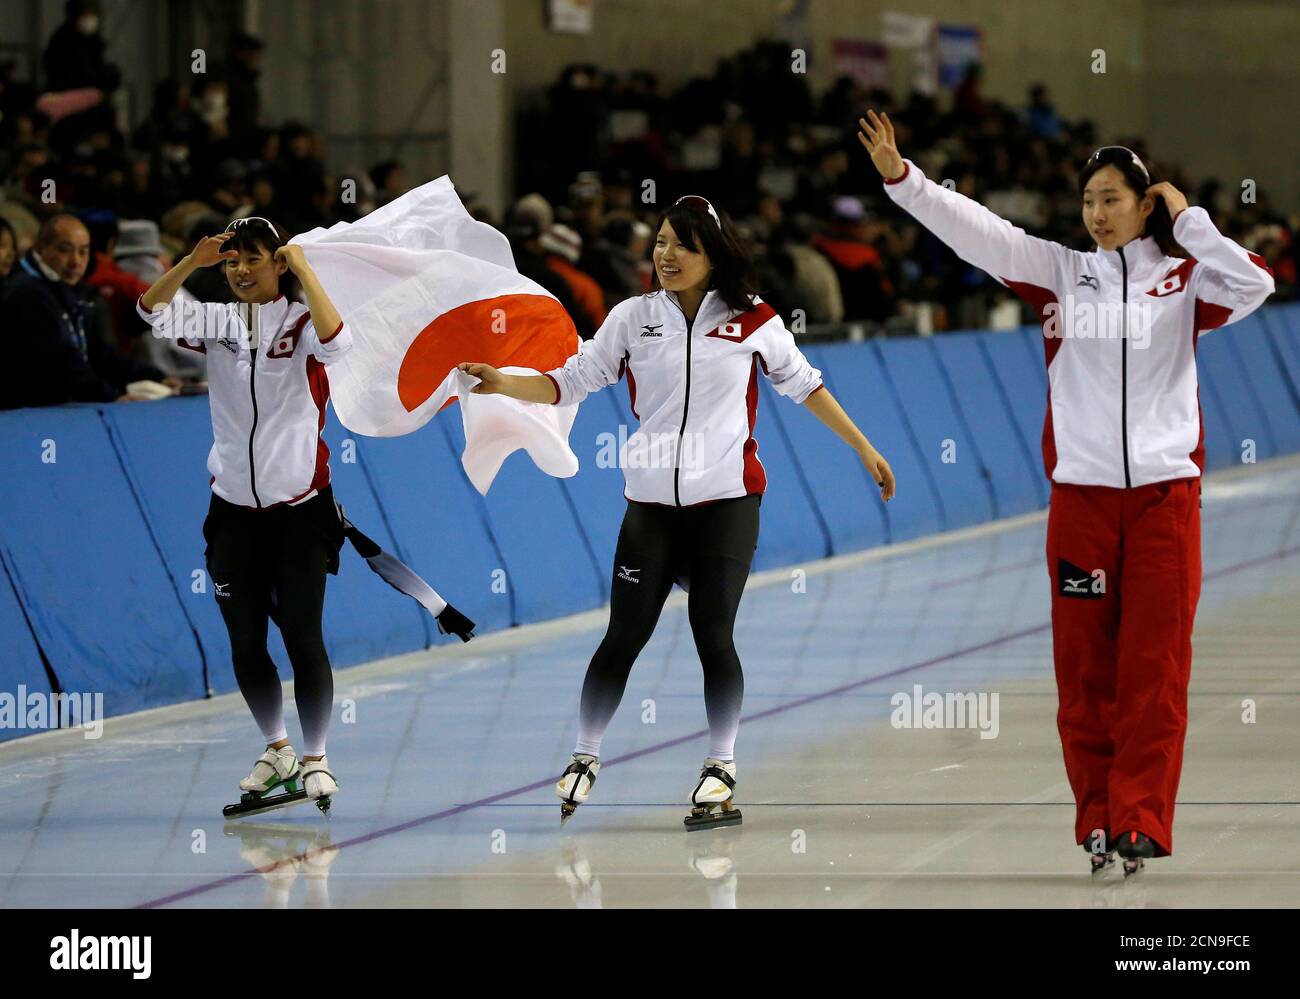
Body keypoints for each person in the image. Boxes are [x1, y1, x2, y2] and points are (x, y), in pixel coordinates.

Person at [858, 110, 1275, 875]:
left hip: (1164, 502)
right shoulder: (1060, 274)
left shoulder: (1185, 282)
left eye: (1113, 198)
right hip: (1081, 505)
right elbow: (978, 231)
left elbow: (1258, 282)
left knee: (1155, 669)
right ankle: (1096, 817)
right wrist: (903, 179)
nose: (1097, 212)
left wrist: (1193, 222)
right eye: (1088, 199)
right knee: (1085, 672)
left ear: (1145, 204)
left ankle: (1141, 819)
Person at [459, 194, 896, 828]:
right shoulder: (633, 319)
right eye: (661, 242)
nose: (666, 255)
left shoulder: (754, 320)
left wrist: (864, 448)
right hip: (652, 510)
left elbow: (805, 384)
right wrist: (504, 381)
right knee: (623, 636)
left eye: (682, 246)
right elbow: (570, 380)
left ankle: (720, 765)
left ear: (712, 255)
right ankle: (585, 755)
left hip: (727, 502)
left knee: (711, 633)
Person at [137, 217, 352, 807]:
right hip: (232, 510)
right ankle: (276, 748)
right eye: (231, 262)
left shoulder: (303, 320)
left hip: (299, 511)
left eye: (251, 260)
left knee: (304, 636)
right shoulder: (216, 320)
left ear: (277, 263)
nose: (239, 271)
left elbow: (338, 342)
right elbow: (150, 310)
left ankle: (316, 757)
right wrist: (191, 261)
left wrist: (305, 269)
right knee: (245, 640)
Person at [1, 214, 172, 409]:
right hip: (26, 417)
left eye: (83, 252)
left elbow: (100, 355)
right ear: (41, 248)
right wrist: (112, 398)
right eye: (64, 250)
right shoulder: (26, 292)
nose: (76, 261)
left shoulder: (73, 288)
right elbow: (63, 362)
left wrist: (159, 378)